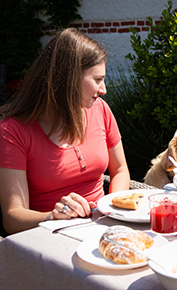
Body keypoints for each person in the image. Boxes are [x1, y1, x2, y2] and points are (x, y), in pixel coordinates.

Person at [0, 28, 130, 234]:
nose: (103, 89)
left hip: (103, 228)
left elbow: (121, 170)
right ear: (69, 80)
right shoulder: (14, 131)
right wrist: (53, 216)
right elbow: (13, 217)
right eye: (97, 80)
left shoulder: (100, 109)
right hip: (50, 236)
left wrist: (112, 208)